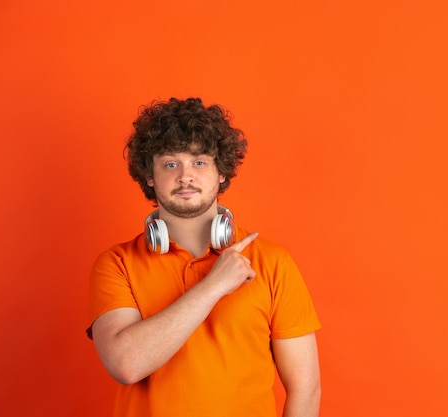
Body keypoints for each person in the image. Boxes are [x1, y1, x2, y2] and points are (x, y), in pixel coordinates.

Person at [87, 97, 321, 417]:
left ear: (221, 172)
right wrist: (215, 285)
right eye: (171, 164)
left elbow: (305, 389)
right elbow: (127, 365)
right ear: (150, 176)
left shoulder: (273, 261)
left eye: (199, 162)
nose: (186, 176)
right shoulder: (116, 264)